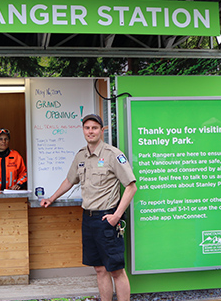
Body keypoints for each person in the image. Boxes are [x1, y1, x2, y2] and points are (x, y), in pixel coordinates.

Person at [40, 114, 137, 301]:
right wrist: (51, 198)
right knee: (100, 269)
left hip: (108, 219)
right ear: (83, 130)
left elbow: (131, 187)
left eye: (94, 128)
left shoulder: (113, 155)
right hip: (89, 219)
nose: (90, 131)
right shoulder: (81, 156)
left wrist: (116, 216)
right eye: (87, 128)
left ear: (102, 130)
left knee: (116, 270)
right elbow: (69, 180)